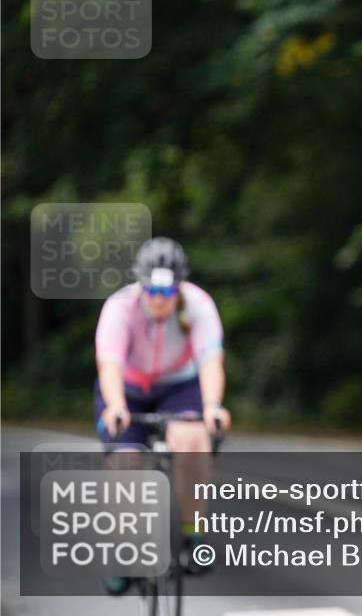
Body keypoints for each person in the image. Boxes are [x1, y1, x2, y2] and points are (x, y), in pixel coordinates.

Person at [94, 237, 231, 593]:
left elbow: (210, 361)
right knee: (125, 461)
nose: (159, 299)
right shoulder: (119, 307)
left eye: (167, 291)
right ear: (140, 285)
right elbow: (109, 364)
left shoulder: (198, 304)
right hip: (128, 388)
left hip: (178, 385)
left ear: (179, 287)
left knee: (192, 439)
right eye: (151, 290)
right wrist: (116, 405)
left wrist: (213, 406)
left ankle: (193, 535)